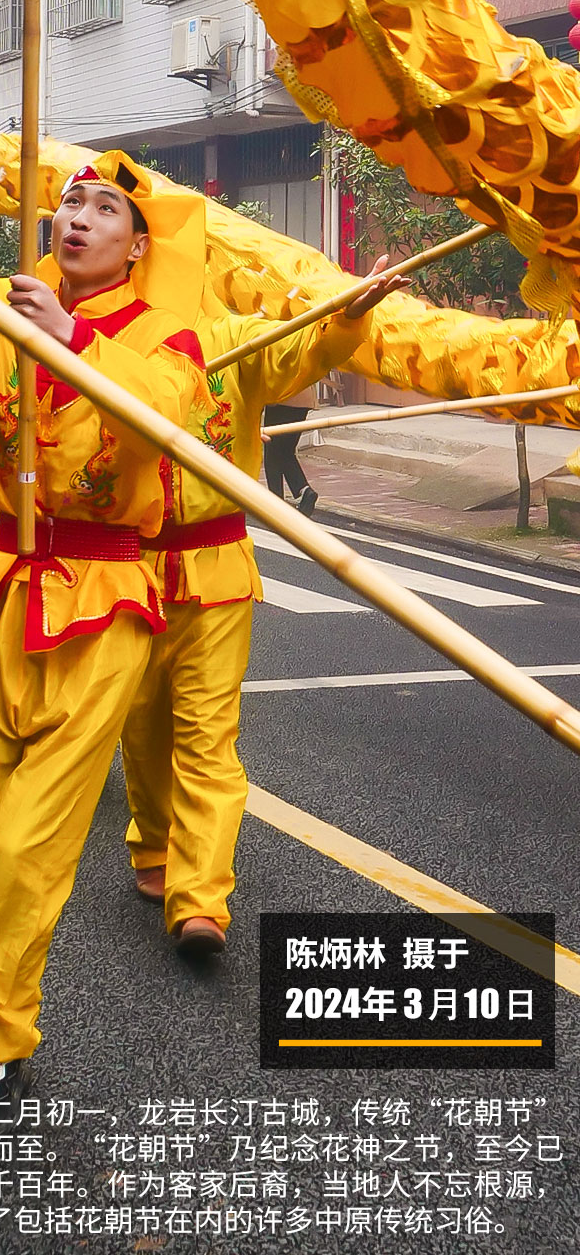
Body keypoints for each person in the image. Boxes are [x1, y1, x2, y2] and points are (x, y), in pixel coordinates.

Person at [0, 153, 207, 1106]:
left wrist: (71, 338)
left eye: (105, 209)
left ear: (137, 246)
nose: (80, 219)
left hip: (107, 600)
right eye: (71, 202)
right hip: (5, 585)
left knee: (35, 841)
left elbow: (165, 417)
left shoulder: (166, 338)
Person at [121, 254, 406, 960]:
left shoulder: (237, 339)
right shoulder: (107, 341)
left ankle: (201, 897)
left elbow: (303, 348)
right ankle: (152, 841)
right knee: (142, 722)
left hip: (216, 567)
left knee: (209, 737)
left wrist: (348, 313)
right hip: (125, 566)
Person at [262, 395, 316, 514]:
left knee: (272, 451)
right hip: (303, 400)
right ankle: (304, 489)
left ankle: (276, 502)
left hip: (282, 398)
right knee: (285, 451)